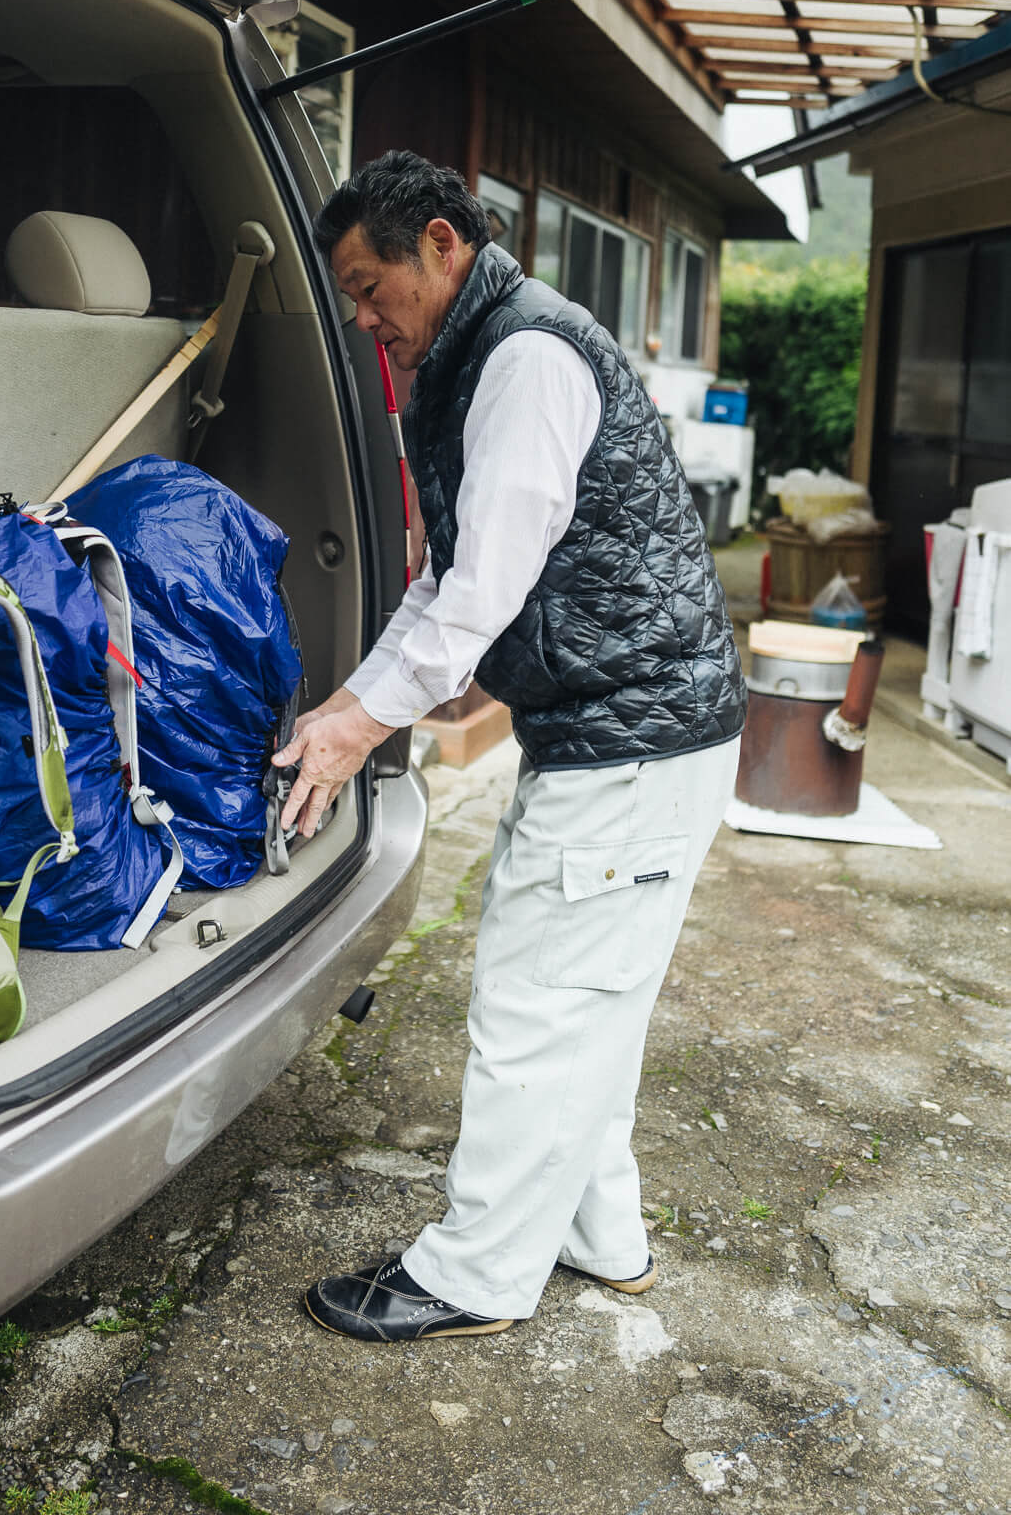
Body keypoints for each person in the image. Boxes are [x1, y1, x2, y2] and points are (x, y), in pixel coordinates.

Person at [272, 151, 745, 1343]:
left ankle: (475, 1273)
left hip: (632, 741)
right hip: (631, 734)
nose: (367, 316)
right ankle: (602, 1236)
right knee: (593, 999)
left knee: (538, 998)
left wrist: (355, 722)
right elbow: (447, 579)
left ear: (440, 242)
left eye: (374, 285)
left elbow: (477, 597)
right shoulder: (484, 348)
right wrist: (355, 698)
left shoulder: (526, 359)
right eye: (353, 297)